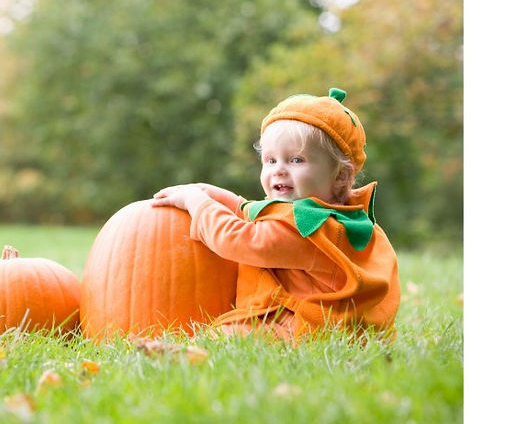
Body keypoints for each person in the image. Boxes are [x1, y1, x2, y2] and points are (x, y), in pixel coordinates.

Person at [151, 88, 400, 341]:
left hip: (312, 327)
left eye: (296, 160)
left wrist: (198, 203)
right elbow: (265, 214)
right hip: (334, 322)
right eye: (270, 160)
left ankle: (179, 351)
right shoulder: (334, 216)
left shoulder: (309, 228)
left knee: (225, 337)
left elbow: (239, 239)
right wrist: (219, 197)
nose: (279, 170)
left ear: (340, 176)